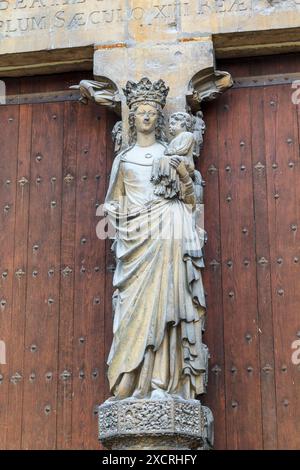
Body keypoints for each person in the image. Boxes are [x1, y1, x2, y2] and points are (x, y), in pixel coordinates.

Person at [104, 78, 208, 401]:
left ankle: (163, 382)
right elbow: (112, 204)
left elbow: (192, 202)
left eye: (151, 112)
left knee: (167, 308)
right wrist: (119, 218)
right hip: (134, 247)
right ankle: (130, 382)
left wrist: (183, 178)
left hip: (167, 238)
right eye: (141, 112)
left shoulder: (170, 153)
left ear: (158, 117)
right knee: (131, 313)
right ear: (132, 118)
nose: (146, 117)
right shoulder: (122, 161)